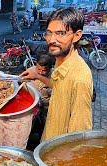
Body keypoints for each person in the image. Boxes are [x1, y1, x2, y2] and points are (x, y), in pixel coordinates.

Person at [21, 8, 93, 141]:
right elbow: (57, 85)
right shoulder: (61, 61)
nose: (51, 40)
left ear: (77, 35)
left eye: (60, 33)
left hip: (58, 152)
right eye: (49, 33)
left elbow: (81, 134)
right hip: (49, 136)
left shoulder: (80, 77)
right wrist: (37, 75)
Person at [26, 54, 55, 150]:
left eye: (44, 70)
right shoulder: (31, 71)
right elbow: (21, 82)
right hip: (33, 109)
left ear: (50, 68)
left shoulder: (54, 76)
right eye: (39, 69)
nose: (41, 72)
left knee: (45, 134)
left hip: (47, 111)